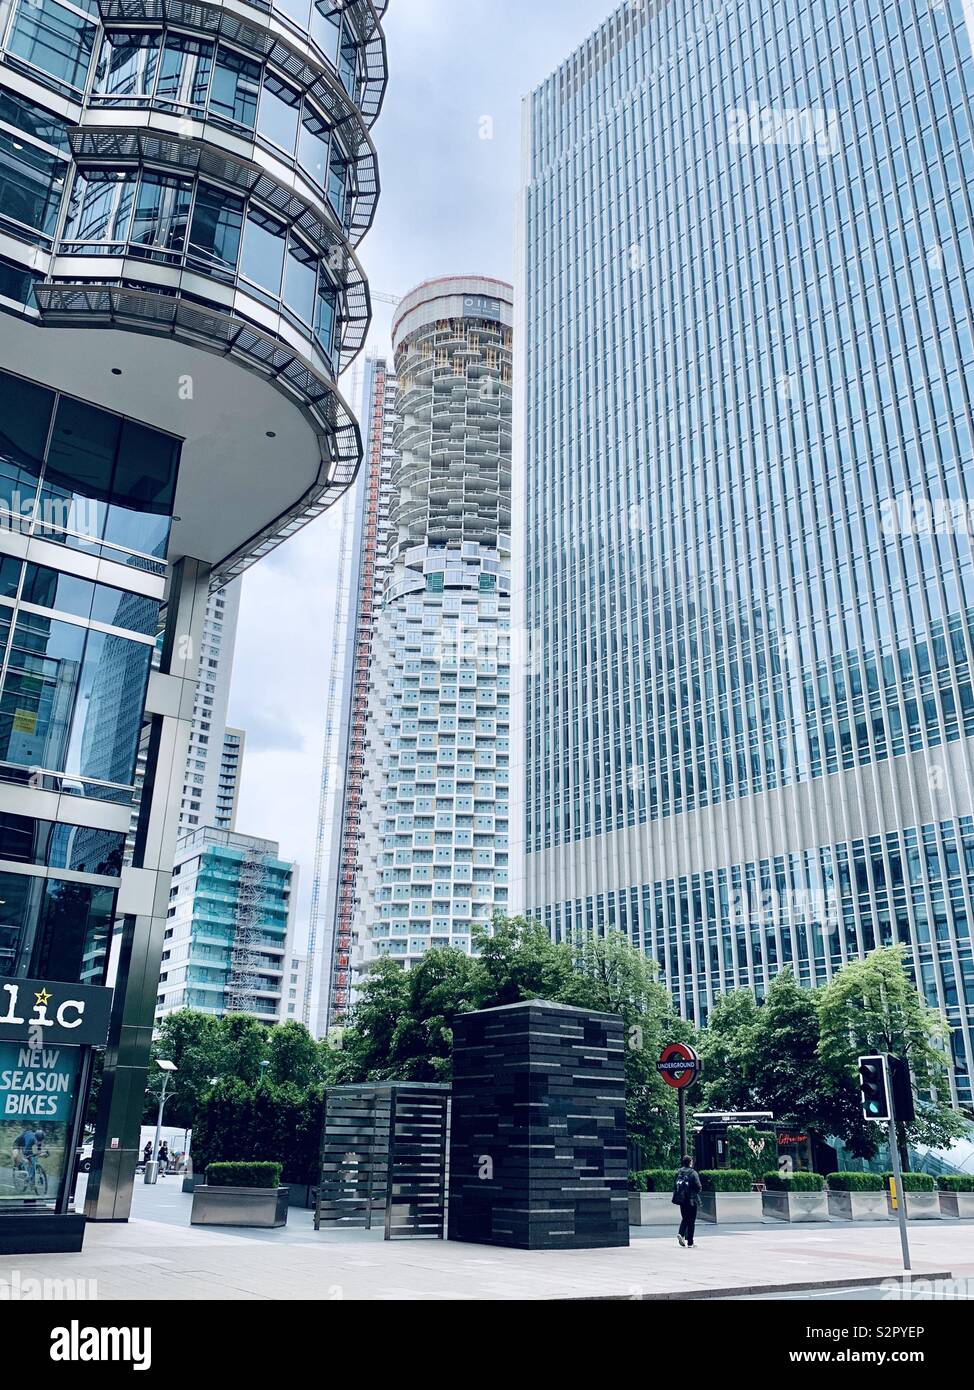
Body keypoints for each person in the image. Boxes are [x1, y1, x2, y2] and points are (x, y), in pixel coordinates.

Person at [672, 1154, 702, 1248]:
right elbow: (698, 1186)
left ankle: (681, 1233)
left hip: (681, 1199)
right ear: (690, 1162)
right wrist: (695, 1192)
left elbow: (675, 1185)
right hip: (692, 1200)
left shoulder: (679, 1172)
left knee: (685, 1218)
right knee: (691, 1221)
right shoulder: (693, 1173)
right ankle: (690, 1243)